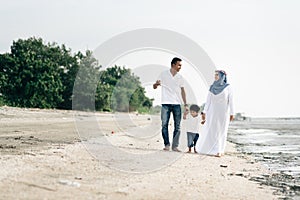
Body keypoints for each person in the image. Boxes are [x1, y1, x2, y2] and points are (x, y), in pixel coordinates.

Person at [195, 70, 234, 157]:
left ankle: (220, 150)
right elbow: (208, 101)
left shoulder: (228, 87)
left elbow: (231, 101)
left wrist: (232, 113)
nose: (215, 76)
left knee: (221, 131)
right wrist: (204, 112)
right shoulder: (212, 87)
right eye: (215, 75)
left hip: (223, 113)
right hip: (212, 113)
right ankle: (213, 149)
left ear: (222, 76)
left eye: (217, 75)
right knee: (212, 131)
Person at [153, 57, 188, 152]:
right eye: (179, 65)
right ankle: (167, 145)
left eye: (181, 65)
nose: (180, 67)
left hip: (177, 104)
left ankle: (175, 146)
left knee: (178, 126)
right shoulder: (163, 74)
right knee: (164, 124)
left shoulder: (180, 77)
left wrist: (185, 104)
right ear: (173, 65)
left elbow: (183, 91)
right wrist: (156, 84)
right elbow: (154, 86)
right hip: (165, 103)